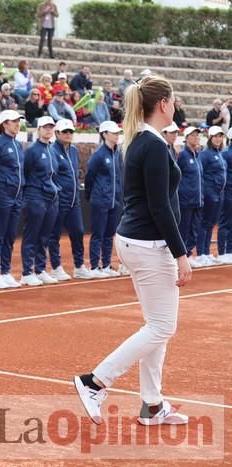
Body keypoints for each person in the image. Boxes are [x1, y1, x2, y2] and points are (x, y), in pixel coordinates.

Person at [74, 75, 192, 427]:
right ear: (163, 104)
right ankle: (94, 381)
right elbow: (160, 207)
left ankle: (152, 405)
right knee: (161, 327)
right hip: (148, 245)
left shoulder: (142, 139)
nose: (177, 105)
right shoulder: (152, 145)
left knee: (158, 325)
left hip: (137, 241)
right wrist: (181, 253)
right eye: (174, 99)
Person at [48, 119, 92, 280]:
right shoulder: (52, 151)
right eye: (65, 132)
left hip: (74, 201)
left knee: (78, 232)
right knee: (54, 234)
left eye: (70, 132)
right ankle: (56, 267)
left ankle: (79, 266)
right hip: (59, 200)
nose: (68, 134)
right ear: (57, 133)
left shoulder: (73, 150)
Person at [19, 116, 60, 286]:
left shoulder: (52, 150)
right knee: (32, 235)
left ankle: (40, 269)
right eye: (45, 127)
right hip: (35, 197)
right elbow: (25, 172)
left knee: (44, 236)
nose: (48, 130)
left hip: (51, 198)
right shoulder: (32, 150)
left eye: (51, 127)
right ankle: (27, 272)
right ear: (38, 130)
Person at [0, 110, 24, 289]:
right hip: (1, 194)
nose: (17, 124)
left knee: (10, 235)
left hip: (17, 196)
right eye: (13, 121)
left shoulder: (18, 145)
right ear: (4, 124)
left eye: (18, 121)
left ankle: (5, 271)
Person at [85, 121, 123, 278]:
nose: (117, 135)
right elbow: (89, 177)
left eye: (117, 133)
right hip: (100, 200)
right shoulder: (99, 154)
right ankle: (95, 266)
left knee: (109, 234)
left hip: (114, 200)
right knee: (98, 233)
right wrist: (92, 195)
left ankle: (106, 264)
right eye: (113, 133)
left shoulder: (117, 153)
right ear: (105, 134)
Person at [197, 126, 227, 265]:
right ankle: (201, 253)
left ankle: (207, 252)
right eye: (215, 136)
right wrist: (205, 193)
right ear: (210, 138)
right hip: (209, 193)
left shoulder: (219, 153)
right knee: (205, 223)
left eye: (220, 136)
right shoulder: (205, 154)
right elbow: (200, 175)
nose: (218, 139)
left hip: (219, 194)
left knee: (211, 224)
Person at [176, 127, 203, 265]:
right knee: (183, 229)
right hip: (185, 200)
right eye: (193, 135)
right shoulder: (182, 155)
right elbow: (176, 177)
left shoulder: (197, 155)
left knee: (194, 229)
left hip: (197, 200)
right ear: (186, 138)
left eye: (197, 135)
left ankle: (188, 254)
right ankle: (181, 257)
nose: (196, 138)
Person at [219, 128, 232, 264]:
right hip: (228, 192)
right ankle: (223, 252)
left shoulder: (225, 153)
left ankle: (229, 251)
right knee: (225, 222)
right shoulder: (226, 153)